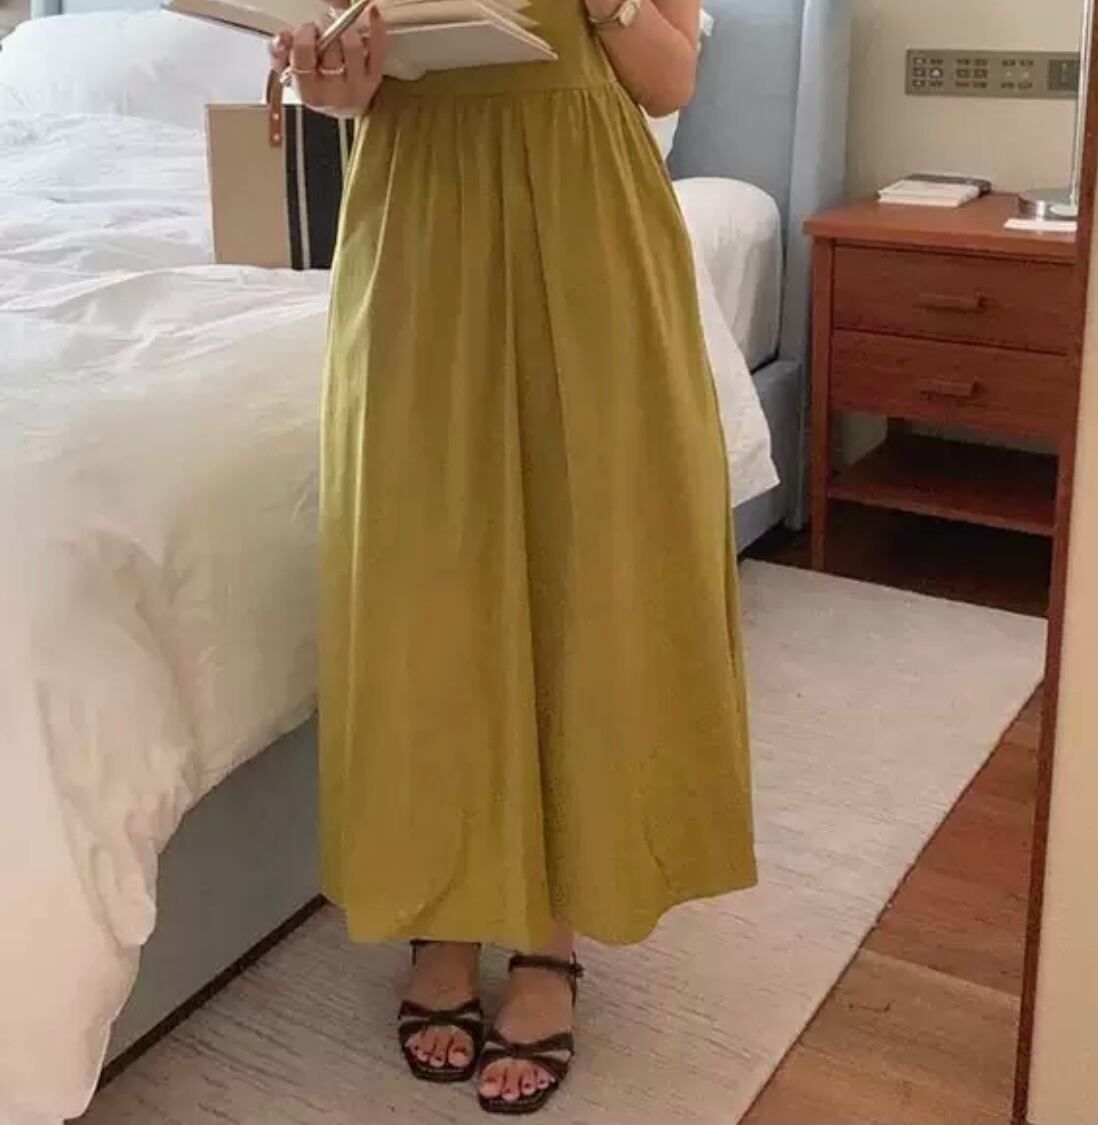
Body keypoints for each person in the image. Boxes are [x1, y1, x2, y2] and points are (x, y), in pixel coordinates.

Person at [269, 0, 755, 1113]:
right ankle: (443, 908)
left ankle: (549, 932)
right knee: (422, 569)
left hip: (582, 206)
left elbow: (668, 77)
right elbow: (345, 89)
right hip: (416, 205)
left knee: (582, 553)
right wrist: (326, 76)